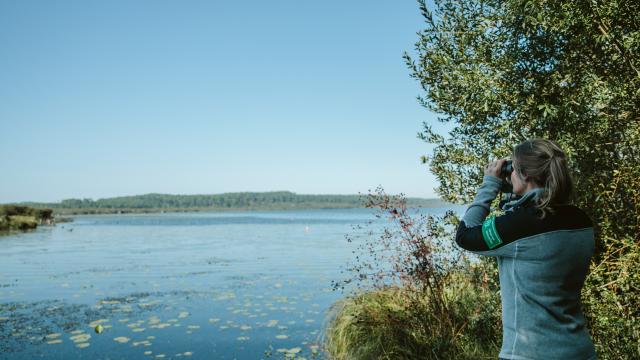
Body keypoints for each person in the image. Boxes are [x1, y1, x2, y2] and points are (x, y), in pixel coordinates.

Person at [455, 139, 597, 360]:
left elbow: (465, 235)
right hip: (580, 351)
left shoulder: (521, 225)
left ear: (526, 174)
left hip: (530, 354)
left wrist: (489, 185)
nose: (509, 176)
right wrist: (516, 196)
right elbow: (528, 216)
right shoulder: (581, 220)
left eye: (512, 171)